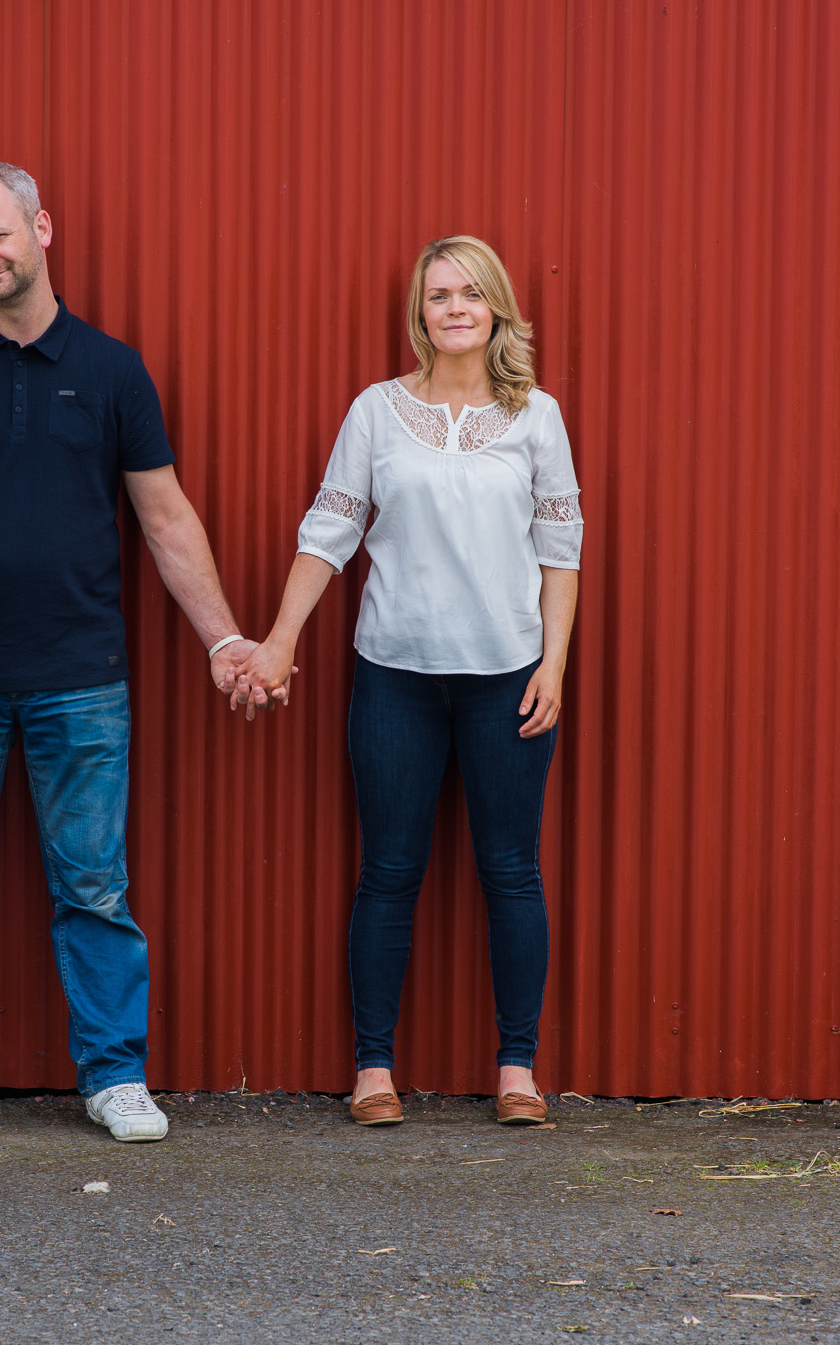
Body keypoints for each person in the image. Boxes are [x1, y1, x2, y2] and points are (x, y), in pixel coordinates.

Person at [0, 161, 259, 1144]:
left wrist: (222, 637)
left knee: (93, 883)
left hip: (81, 676)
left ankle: (115, 1074)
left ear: (42, 228)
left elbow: (164, 517)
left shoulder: (114, 371)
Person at [233, 236, 582, 1127]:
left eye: (471, 293)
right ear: (418, 313)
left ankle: (516, 1067)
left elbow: (560, 552)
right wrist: (278, 640)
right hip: (395, 675)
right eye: (438, 296)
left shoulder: (536, 417)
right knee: (388, 871)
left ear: (498, 305)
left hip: (505, 676)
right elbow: (331, 529)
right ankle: (373, 1067)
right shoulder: (378, 413)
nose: (455, 307)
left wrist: (554, 662)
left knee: (511, 871)